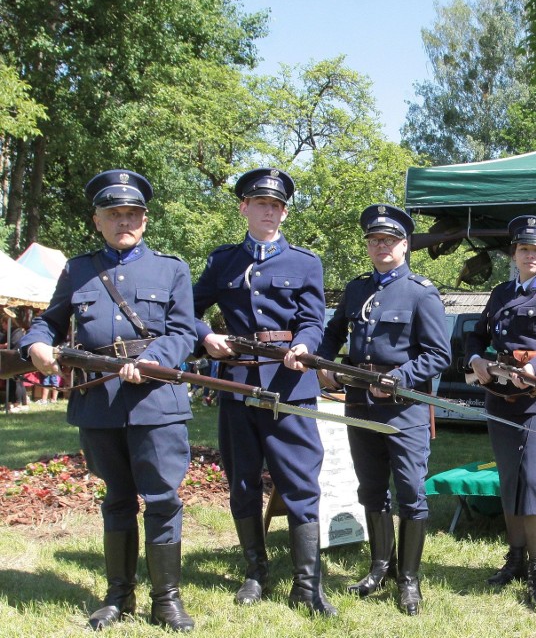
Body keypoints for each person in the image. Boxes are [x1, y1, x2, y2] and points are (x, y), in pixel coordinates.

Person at [20, 169, 196, 631]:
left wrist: (153, 360)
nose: (125, 221)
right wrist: (34, 344)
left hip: (157, 401)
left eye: (132, 214)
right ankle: (118, 596)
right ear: (97, 220)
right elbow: (49, 323)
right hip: (98, 402)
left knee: (162, 499)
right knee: (116, 499)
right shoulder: (77, 270)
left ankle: (167, 599)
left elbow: (182, 334)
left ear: (145, 219)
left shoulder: (172, 269)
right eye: (114, 214)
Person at [193, 168, 336, 616]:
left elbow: (315, 320)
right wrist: (204, 336)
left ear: (285, 212)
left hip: (291, 387)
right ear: (244, 208)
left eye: (276, 206)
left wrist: (305, 344)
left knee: (300, 483)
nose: (269, 212)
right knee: (242, 482)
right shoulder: (223, 261)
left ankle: (307, 586)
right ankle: (255, 573)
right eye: (261, 204)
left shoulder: (305, 262)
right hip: (237, 385)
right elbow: (188, 310)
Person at [316, 204, 451, 616]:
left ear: (405, 245)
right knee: (370, 488)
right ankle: (380, 566)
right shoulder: (357, 290)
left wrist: (402, 376)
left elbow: (439, 354)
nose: (382, 247)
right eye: (375, 241)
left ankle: (408, 580)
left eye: (389, 241)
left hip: (402, 408)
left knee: (410, 491)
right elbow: (333, 332)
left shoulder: (421, 292)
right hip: (359, 401)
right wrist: (323, 365)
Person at [465, 215, 536, 614]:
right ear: (514, 253)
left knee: (533, 480)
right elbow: (477, 333)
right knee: (509, 479)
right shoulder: (499, 293)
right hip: (499, 398)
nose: (531, 255)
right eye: (524, 249)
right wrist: (476, 357)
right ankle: (514, 558)